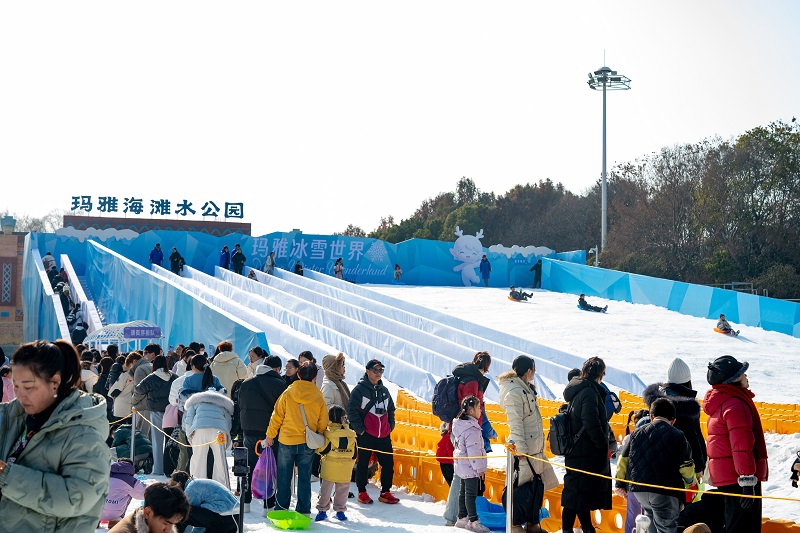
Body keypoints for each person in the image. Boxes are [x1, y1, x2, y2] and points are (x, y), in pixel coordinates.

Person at [0, 340, 110, 531]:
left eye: (28, 387)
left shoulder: (83, 434)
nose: (20, 395)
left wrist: (6, 476)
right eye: (16, 386)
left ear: (55, 382)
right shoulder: (15, 417)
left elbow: (77, 497)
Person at [703, 355, 768, 532]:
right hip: (739, 478)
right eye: (743, 374)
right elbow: (741, 446)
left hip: (729, 477)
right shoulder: (736, 404)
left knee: (734, 525)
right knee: (744, 527)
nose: (747, 377)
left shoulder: (722, 401)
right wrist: (747, 482)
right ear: (734, 379)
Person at [615, 397, 696, 533]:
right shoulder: (678, 436)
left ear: (651, 416)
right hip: (664, 490)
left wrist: (619, 483)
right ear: (673, 420)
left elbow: (623, 460)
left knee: (650, 520)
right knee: (666, 527)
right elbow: (686, 467)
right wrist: (690, 481)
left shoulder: (636, 433)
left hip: (639, 488)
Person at [497, 355, 556, 533]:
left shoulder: (526, 389)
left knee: (535, 489)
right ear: (529, 371)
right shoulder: (515, 392)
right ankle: (515, 527)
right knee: (520, 491)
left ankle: (532, 524)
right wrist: (521, 451)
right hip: (525, 452)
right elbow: (515, 424)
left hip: (534, 451)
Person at [265, 362, 329, 516]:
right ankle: (304, 511)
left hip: (287, 440)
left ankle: (281, 509)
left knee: (284, 477)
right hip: (307, 442)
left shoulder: (288, 392)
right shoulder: (318, 396)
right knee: (304, 479)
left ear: (298, 375)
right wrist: (318, 434)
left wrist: (270, 435)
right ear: (314, 377)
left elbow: (277, 415)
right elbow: (323, 421)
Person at [561, 356, 612, 533]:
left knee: (578, 494)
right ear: (600, 374)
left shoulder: (580, 390)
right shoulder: (589, 392)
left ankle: (587, 528)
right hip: (585, 452)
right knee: (574, 495)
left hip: (578, 451)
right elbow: (591, 421)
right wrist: (602, 445)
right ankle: (568, 529)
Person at [643, 357, 708, 480]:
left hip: (653, 464)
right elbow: (694, 438)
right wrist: (699, 466)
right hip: (682, 468)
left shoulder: (656, 401)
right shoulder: (687, 409)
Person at [238, 354, 287, 512]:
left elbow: (241, 407)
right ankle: (268, 506)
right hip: (270, 434)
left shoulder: (246, 383)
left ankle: (245, 503)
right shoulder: (280, 385)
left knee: (249, 467)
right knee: (268, 468)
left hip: (248, 432)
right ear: (277, 369)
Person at [347, 359, 399, 505]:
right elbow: (351, 411)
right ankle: (362, 491)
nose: (378, 373)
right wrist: (361, 430)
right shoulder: (359, 390)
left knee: (388, 464)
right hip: (366, 435)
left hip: (383, 434)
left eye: (381, 370)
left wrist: (390, 426)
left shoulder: (384, 390)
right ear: (367, 371)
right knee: (363, 464)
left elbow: (391, 410)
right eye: (375, 370)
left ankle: (385, 491)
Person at [182, 369, 234, 486]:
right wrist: (227, 433)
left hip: (199, 429)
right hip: (219, 430)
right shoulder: (223, 402)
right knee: (220, 461)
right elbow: (228, 420)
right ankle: (222, 487)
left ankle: (196, 487)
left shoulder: (197, 400)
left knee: (198, 460)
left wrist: (190, 436)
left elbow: (189, 419)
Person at [451, 395, 490, 533]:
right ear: (471, 411)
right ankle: (473, 520)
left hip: (462, 465)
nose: (481, 410)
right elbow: (474, 451)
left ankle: (462, 517)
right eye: (479, 407)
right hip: (471, 466)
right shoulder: (472, 429)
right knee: (470, 494)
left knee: (463, 491)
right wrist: (479, 468)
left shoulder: (461, 425)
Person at [135, 354, 178, 477]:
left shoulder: (151, 377)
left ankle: (158, 469)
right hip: (171, 411)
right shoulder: (174, 377)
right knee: (171, 441)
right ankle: (171, 467)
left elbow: (139, 389)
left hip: (155, 411)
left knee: (157, 441)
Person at [314, 405, 358, 522]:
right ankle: (340, 512)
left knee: (325, 491)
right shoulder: (352, 435)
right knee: (343, 491)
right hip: (345, 469)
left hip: (329, 468)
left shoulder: (328, 434)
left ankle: (322, 511)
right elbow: (354, 454)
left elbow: (322, 450)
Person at [168, 471, 239, 533]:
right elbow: (200, 521)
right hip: (235, 520)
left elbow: (188, 516)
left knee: (181, 512)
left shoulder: (191, 488)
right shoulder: (197, 482)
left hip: (223, 519)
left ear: (179, 485)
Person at [108, 481, 190, 533]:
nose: (168, 531)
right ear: (147, 513)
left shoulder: (151, 521)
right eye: (165, 523)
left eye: (172, 524)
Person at [101, 459, 147, 528]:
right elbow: (143, 494)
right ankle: (116, 520)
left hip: (97, 511)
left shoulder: (104, 474)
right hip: (114, 512)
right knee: (130, 492)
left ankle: (96, 521)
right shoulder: (130, 480)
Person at [110, 352, 143, 424]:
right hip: (130, 406)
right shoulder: (139, 374)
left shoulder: (125, 375)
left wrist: (112, 396)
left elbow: (114, 391)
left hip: (122, 406)